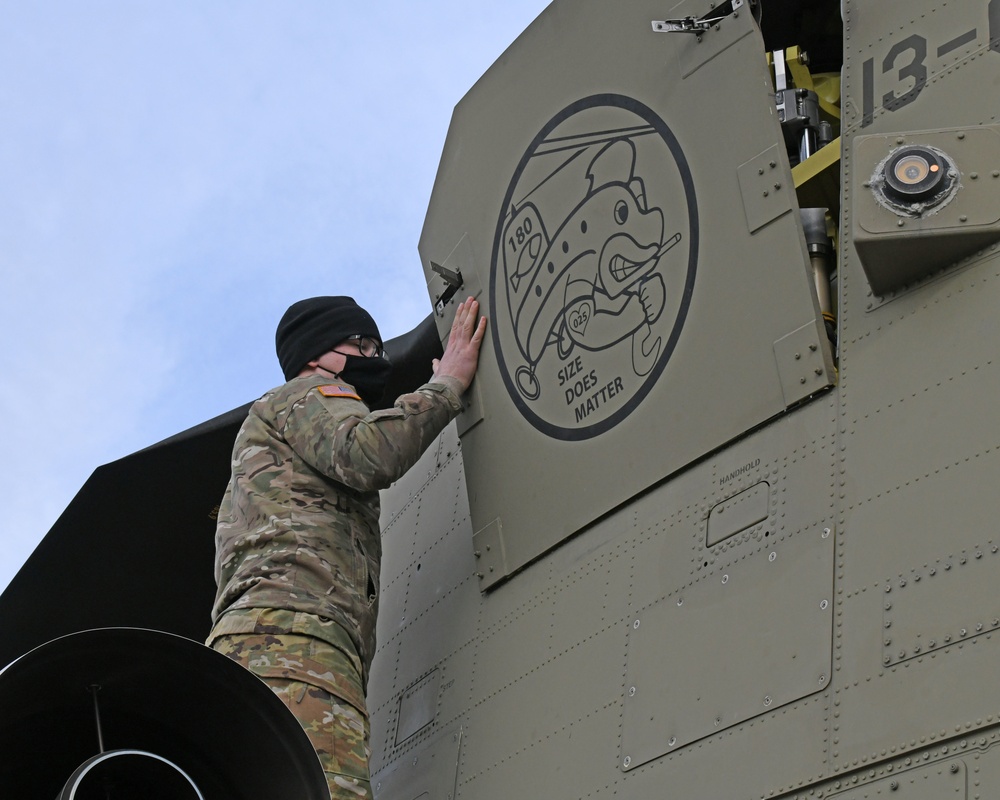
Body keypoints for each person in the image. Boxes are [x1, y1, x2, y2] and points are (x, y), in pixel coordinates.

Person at [207, 295, 486, 799]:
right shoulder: (312, 391)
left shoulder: (262, 447)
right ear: (317, 354)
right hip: (300, 645)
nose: (375, 358)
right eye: (361, 344)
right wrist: (446, 386)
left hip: (253, 649)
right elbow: (366, 454)